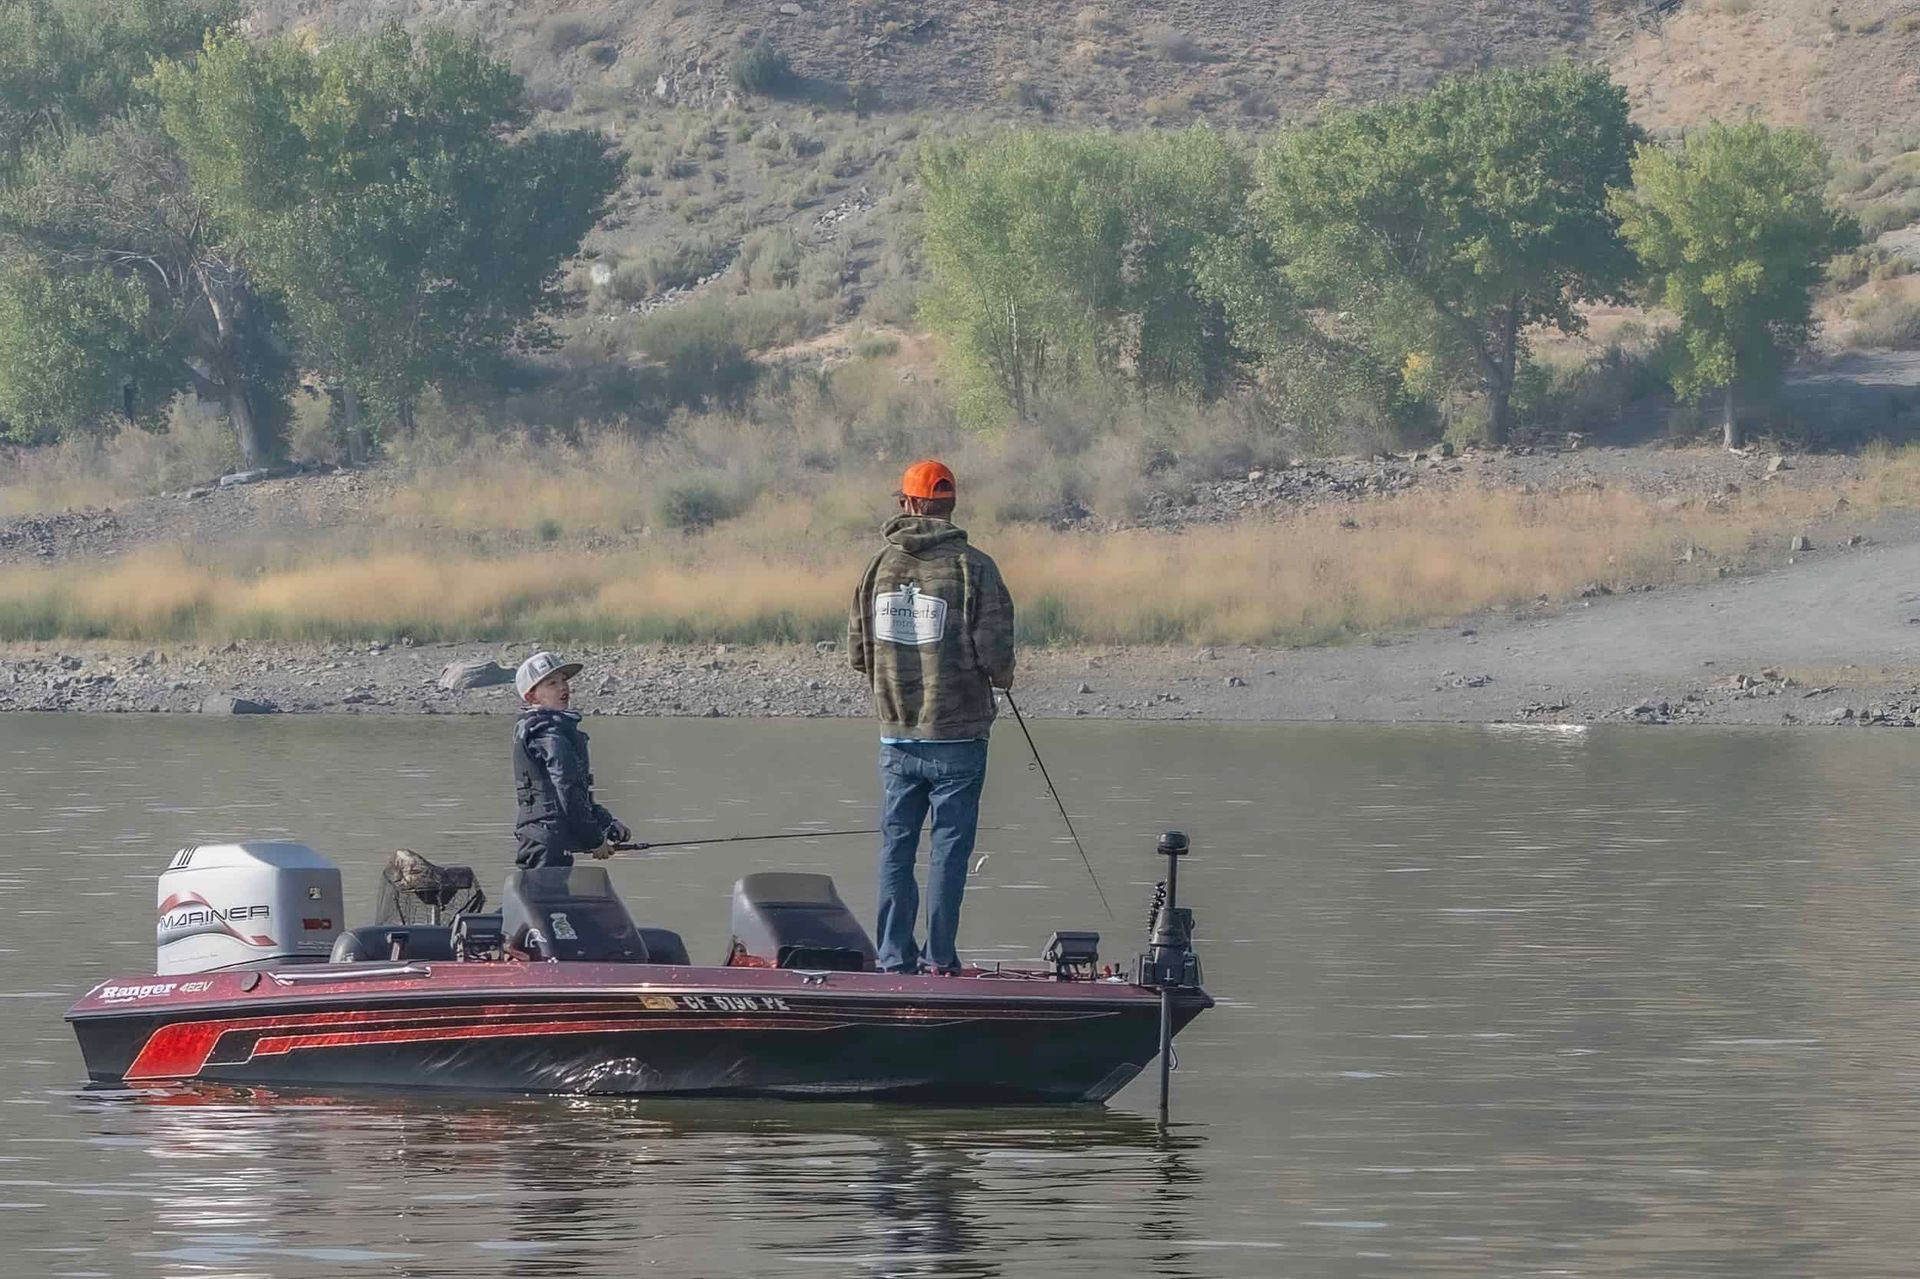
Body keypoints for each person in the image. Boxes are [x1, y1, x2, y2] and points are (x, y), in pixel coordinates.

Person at [849, 460, 1016, 974]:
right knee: (948, 852)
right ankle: (940, 958)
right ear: (949, 506)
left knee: (896, 848)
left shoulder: (878, 568)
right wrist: (1000, 677)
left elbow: (859, 653)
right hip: (959, 738)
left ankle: (893, 958)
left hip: (897, 738)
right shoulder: (976, 568)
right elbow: (996, 657)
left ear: (909, 504)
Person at [511, 651, 632, 868]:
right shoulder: (547, 733)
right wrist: (594, 839)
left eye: (563, 680)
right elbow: (568, 788)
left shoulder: (554, 729)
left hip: (549, 840)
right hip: (545, 844)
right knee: (547, 901)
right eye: (551, 683)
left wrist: (606, 823)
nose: (562, 687)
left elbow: (575, 794)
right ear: (531, 697)